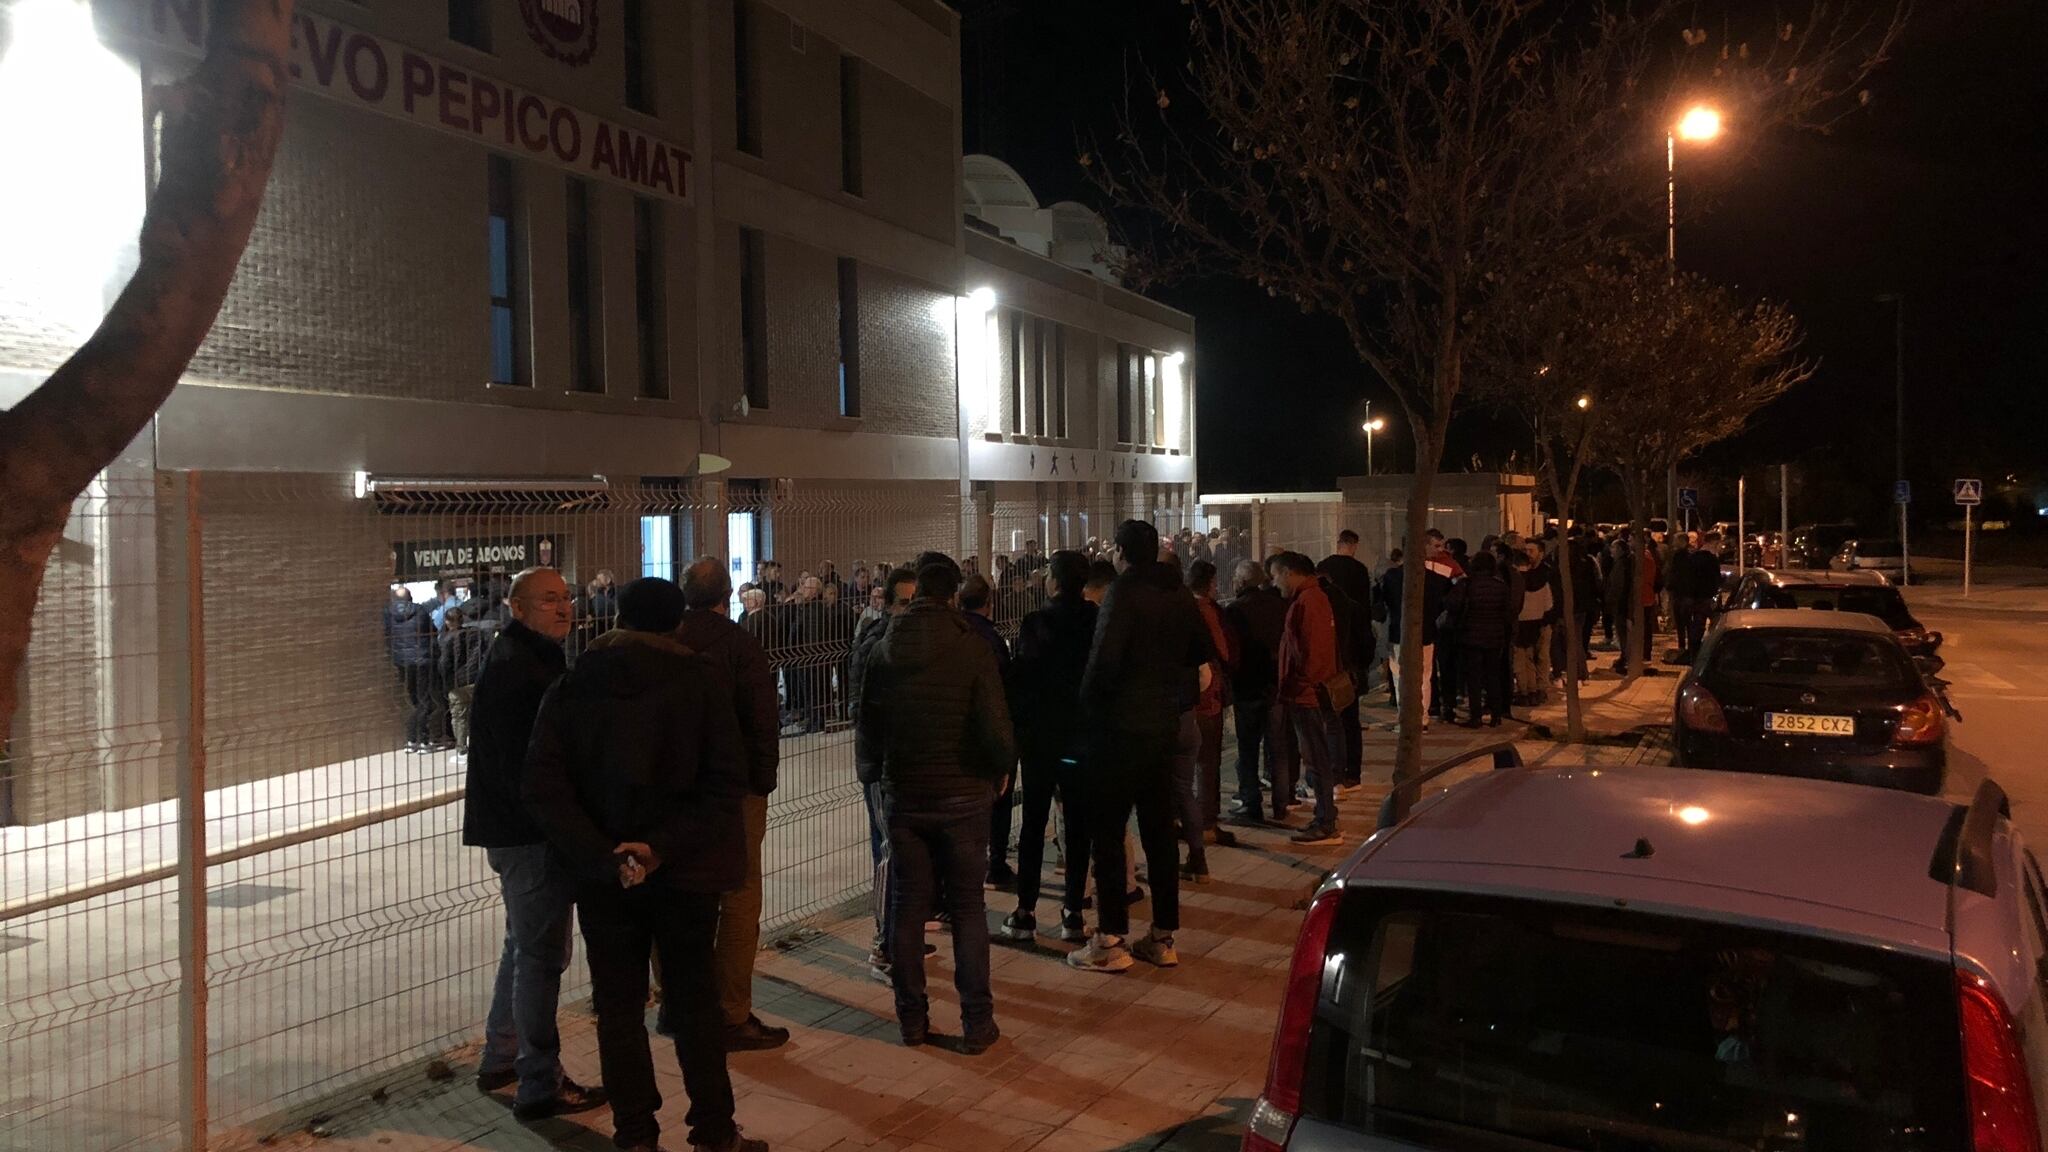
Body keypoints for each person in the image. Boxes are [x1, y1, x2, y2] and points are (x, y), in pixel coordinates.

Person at [522, 578, 758, 1152]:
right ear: (677, 624)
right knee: (694, 999)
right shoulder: (701, 682)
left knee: (618, 1006)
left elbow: (544, 786)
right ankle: (713, 1129)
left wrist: (605, 854)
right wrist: (661, 848)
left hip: (607, 879)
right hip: (684, 873)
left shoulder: (573, 684)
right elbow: (726, 781)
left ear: (617, 619)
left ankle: (634, 1133)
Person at [463, 568, 605, 1121]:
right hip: (529, 836)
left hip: (519, 831)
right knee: (543, 956)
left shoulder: (528, 659)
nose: (564, 607)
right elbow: (537, 769)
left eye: (567, 597)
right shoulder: (524, 672)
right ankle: (539, 1082)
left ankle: (502, 1056)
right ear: (517, 608)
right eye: (549, 600)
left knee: (524, 948)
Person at [857, 562, 1014, 1052]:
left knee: (907, 907)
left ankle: (912, 1022)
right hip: (964, 796)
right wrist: (1000, 767)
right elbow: (994, 725)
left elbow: (868, 726)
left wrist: (877, 779)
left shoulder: (884, 650)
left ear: (917, 593)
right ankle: (976, 1022)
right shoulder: (971, 647)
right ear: (952, 597)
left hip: (905, 794)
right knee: (968, 908)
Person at [1069, 520, 1211, 974]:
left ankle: (1111, 938)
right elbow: (1199, 651)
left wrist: (1089, 712)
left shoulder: (1123, 593)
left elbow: (1102, 663)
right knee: (1159, 833)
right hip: (1163, 727)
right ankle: (1163, 936)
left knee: (1109, 834)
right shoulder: (1179, 592)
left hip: (1120, 731)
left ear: (1122, 552)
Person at [676, 558, 787, 1054]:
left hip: (677, 791)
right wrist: (762, 781)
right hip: (734, 787)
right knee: (739, 895)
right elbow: (762, 717)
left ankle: (682, 1006)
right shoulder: (740, 643)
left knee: (682, 896)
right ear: (727, 597)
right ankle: (730, 1012)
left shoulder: (666, 638)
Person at [999, 549, 1097, 944]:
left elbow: (1023, 676)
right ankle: (1074, 911)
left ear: (1054, 581)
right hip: (1080, 736)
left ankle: (1026, 911)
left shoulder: (1036, 622)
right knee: (1077, 824)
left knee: (1034, 824)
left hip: (1041, 739)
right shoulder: (1095, 619)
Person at [851, 567, 920, 984]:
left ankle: (902, 934)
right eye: (903, 604)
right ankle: (883, 942)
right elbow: (862, 713)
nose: (909, 612)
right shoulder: (874, 645)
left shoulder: (916, 643)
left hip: (910, 763)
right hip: (881, 767)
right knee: (888, 853)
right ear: (888, 604)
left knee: (906, 853)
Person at [1271, 553, 1346, 845]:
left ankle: (1326, 822)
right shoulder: (1312, 598)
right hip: (1307, 692)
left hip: (1307, 695)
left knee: (1317, 759)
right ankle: (1324, 816)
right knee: (1315, 758)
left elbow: (1313, 654)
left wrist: (1301, 684)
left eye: (1276, 575)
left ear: (1290, 573)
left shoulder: (1309, 601)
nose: (1274, 582)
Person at [957, 574, 1018, 890]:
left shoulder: (953, 635)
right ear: (989, 604)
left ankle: (969, 864)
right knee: (999, 801)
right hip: (990, 731)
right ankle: (995, 864)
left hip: (960, 733)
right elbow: (1003, 691)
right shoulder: (992, 641)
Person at [1224, 560, 1290, 824]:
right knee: (1278, 747)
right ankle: (1281, 803)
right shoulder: (1279, 606)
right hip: (1275, 685)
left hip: (1247, 687)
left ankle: (1251, 801)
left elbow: (1232, 652)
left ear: (1241, 582)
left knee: (1248, 748)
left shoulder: (1235, 611)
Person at [1186, 560, 1237, 868]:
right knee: (1208, 763)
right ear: (1210, 583)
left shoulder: (1177, 611)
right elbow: (1223, 651)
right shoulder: (1206, 610)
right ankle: (1206, 824)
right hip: (1207, 698)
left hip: (1184, 700)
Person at [1316, 531, 1374, 789]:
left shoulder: (1324, 570)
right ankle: (1353, 773)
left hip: (1332, 663)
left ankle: (1333, 771)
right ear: (1353, 545)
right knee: (1351, 719)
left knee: (1330, 720)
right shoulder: (1360, 573)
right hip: (1352, 663)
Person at [1380, 542, 1449, 730]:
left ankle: (1406, 719)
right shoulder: (1436, 579)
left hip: (1399, 632)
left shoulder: (1392, 576)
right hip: (1426, 633)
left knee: (1399, 676)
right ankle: (1422, 718)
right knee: (1425, 676)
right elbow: (1443, 604)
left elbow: (1383, 602)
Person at [1446, 551, 1512, 726]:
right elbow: (1508, 613)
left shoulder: (1467, 585)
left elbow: (1453, 605)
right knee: (1493, 676)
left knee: (1473, 677)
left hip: (1470, 636)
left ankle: (1475, 716)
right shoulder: (1500, 586)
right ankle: (1496, 715)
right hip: (1494, 636)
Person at [386, 588, 437, 752]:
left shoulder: (389, 614)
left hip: (402, 662)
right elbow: (432, 630)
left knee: (413, 700)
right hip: (422, 660)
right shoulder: (420, 611)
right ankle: (422, 739)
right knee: (424, 699)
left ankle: (411, 740)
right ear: (411, 597)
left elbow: (388, 635)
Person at [438, 606, 488, 763]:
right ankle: (479, 746)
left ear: (447, 621)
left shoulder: (448, 639)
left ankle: (462, 751)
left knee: (459, 717)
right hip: (476, 678)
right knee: (477, 714)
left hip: (457, 682)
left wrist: (444, 679)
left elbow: (445, 663)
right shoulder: (477, 634)